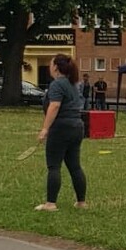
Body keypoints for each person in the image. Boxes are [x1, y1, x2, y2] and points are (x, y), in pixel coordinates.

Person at [35, 54, 88, 211]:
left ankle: (50, 203)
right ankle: (81, 202)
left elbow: (55, 106)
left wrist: (45, 129)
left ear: (56, 67)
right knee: (75, 166)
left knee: (54, 166)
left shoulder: (57, 84)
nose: (50, 67)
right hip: (77, 127)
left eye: (51, 64)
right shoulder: (73, 84)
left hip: (61, 128)